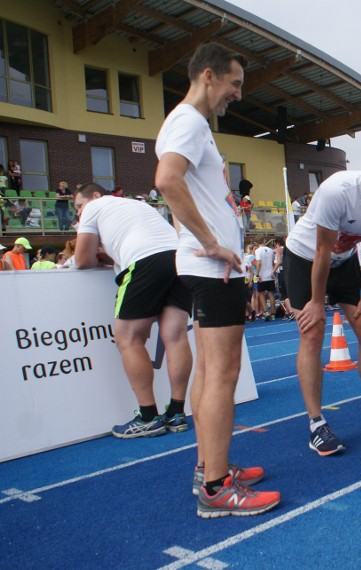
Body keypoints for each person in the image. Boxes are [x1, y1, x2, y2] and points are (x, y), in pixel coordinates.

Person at [154, 42, 279, 517]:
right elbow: (168, 181)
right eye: (235, 84)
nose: (238, 95)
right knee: (221, 376)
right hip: (212, 269)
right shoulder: (188, 120)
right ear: (209, 76)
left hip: (208, 268)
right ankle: (215, 487)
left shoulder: (189, 123)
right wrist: (209, 241)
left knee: (209, 374)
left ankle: (211, 466)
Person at [283, 154, 361, 456]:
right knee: (312, 330)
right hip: (305, 258)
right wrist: (317, 302)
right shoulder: (336, 192)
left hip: (344, 261)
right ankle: (316, 424)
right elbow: (321, 250)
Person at [73, 183, 193, 438]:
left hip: (145, 260)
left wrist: (98, 255)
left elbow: (82, 260)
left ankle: (148, 416)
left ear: (94, 196)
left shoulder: (94, 206)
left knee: (128, 338)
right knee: (176, 336)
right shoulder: (136, 204)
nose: (79, 212)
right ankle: (177, 411)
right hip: (178, 257)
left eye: (78, 206)